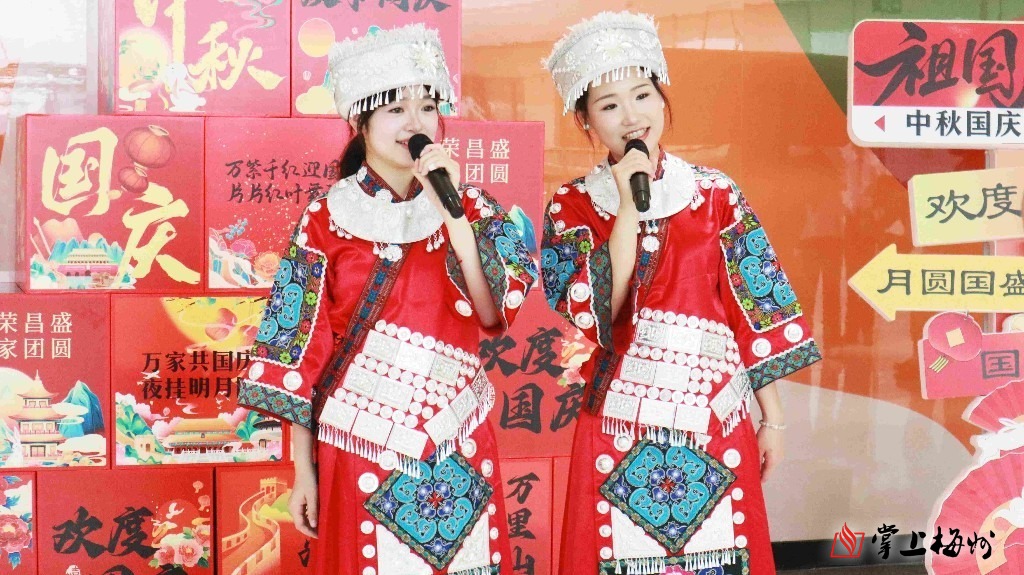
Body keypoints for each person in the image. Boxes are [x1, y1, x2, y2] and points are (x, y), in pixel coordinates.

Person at [238, 23, 538, 575]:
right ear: (360, 122)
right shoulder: (325, 219)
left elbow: (492, 311)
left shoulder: (472, 206)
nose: (416, 123)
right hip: (360, 440)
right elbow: (296, 352)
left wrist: (455, 216)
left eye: (427, 107)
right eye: (397, 109)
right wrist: (303, 468)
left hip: (456, 437)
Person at [541, 12, 821, 575]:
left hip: (713, 415)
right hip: (619, 420)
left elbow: (755, 310)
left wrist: (773, 419)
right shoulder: (570, 206)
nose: (632, 116)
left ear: (662, 98)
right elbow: (595, 309)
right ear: (585, 119)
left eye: (642, 95)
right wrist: (627, 208)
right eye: (609, 105)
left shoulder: (716, 194)